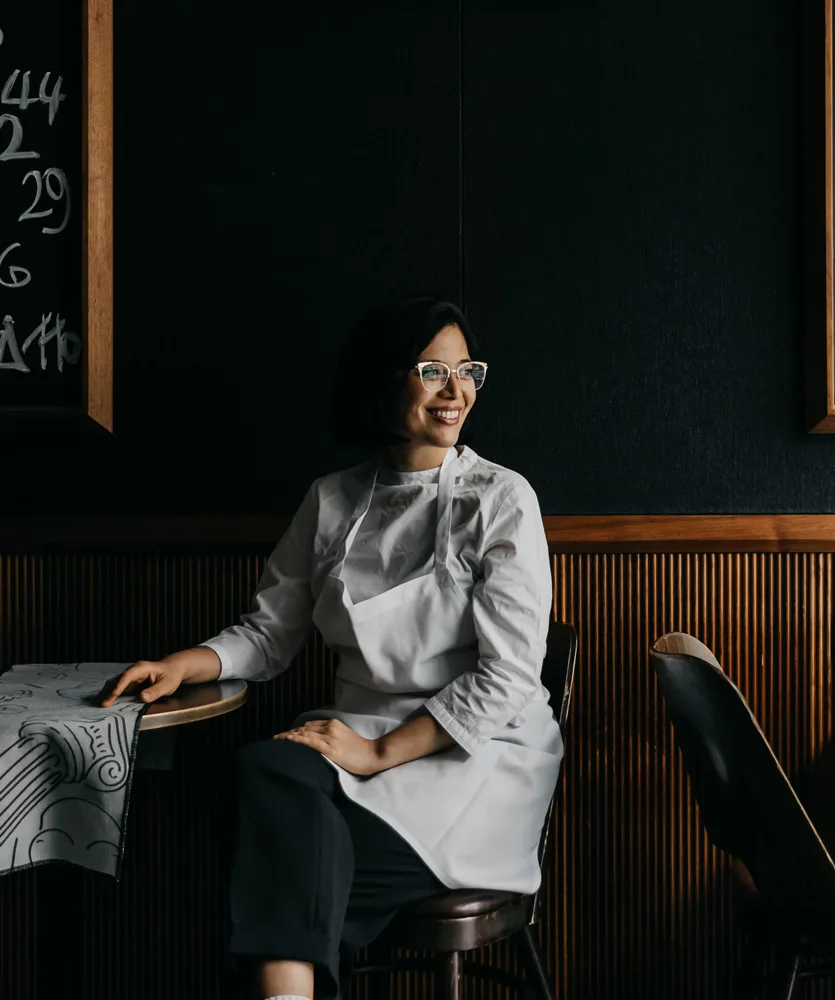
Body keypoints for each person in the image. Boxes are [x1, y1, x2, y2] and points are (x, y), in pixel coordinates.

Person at [101, 298, 560, 1000]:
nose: (456, 390)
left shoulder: (500, 499)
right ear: (384, 380)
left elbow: (507, 679)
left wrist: (376, 753)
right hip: (355, 738)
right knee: (266, 774)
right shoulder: (332, 499)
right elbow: (268, 632)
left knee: (278, 855)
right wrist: (181, 664)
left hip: (478, 757)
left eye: (468, 371)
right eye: (432, 369)